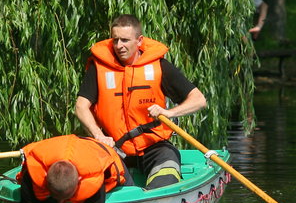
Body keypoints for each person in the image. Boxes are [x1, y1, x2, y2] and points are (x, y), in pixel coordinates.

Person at [74, 14, 207, 190]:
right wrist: (98, 135)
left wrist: (169, 113)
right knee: (99, 179)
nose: (119, 46)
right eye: (115, 40)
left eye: (125, 40)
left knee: (166, 178)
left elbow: (199, 100)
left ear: (139, 41)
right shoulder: (98, 68)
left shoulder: (159, 66)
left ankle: (156, 197)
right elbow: (81, 106)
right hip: (114, 148)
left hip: (155, 147)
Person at [19, 134, 129, 203]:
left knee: (130, 189)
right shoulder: (32, 175)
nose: (61, 202)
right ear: (45, 178)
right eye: (55, 196)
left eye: (67, 197)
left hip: (100, 152)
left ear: (79, 180)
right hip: (59, 147)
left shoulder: (94, 181)